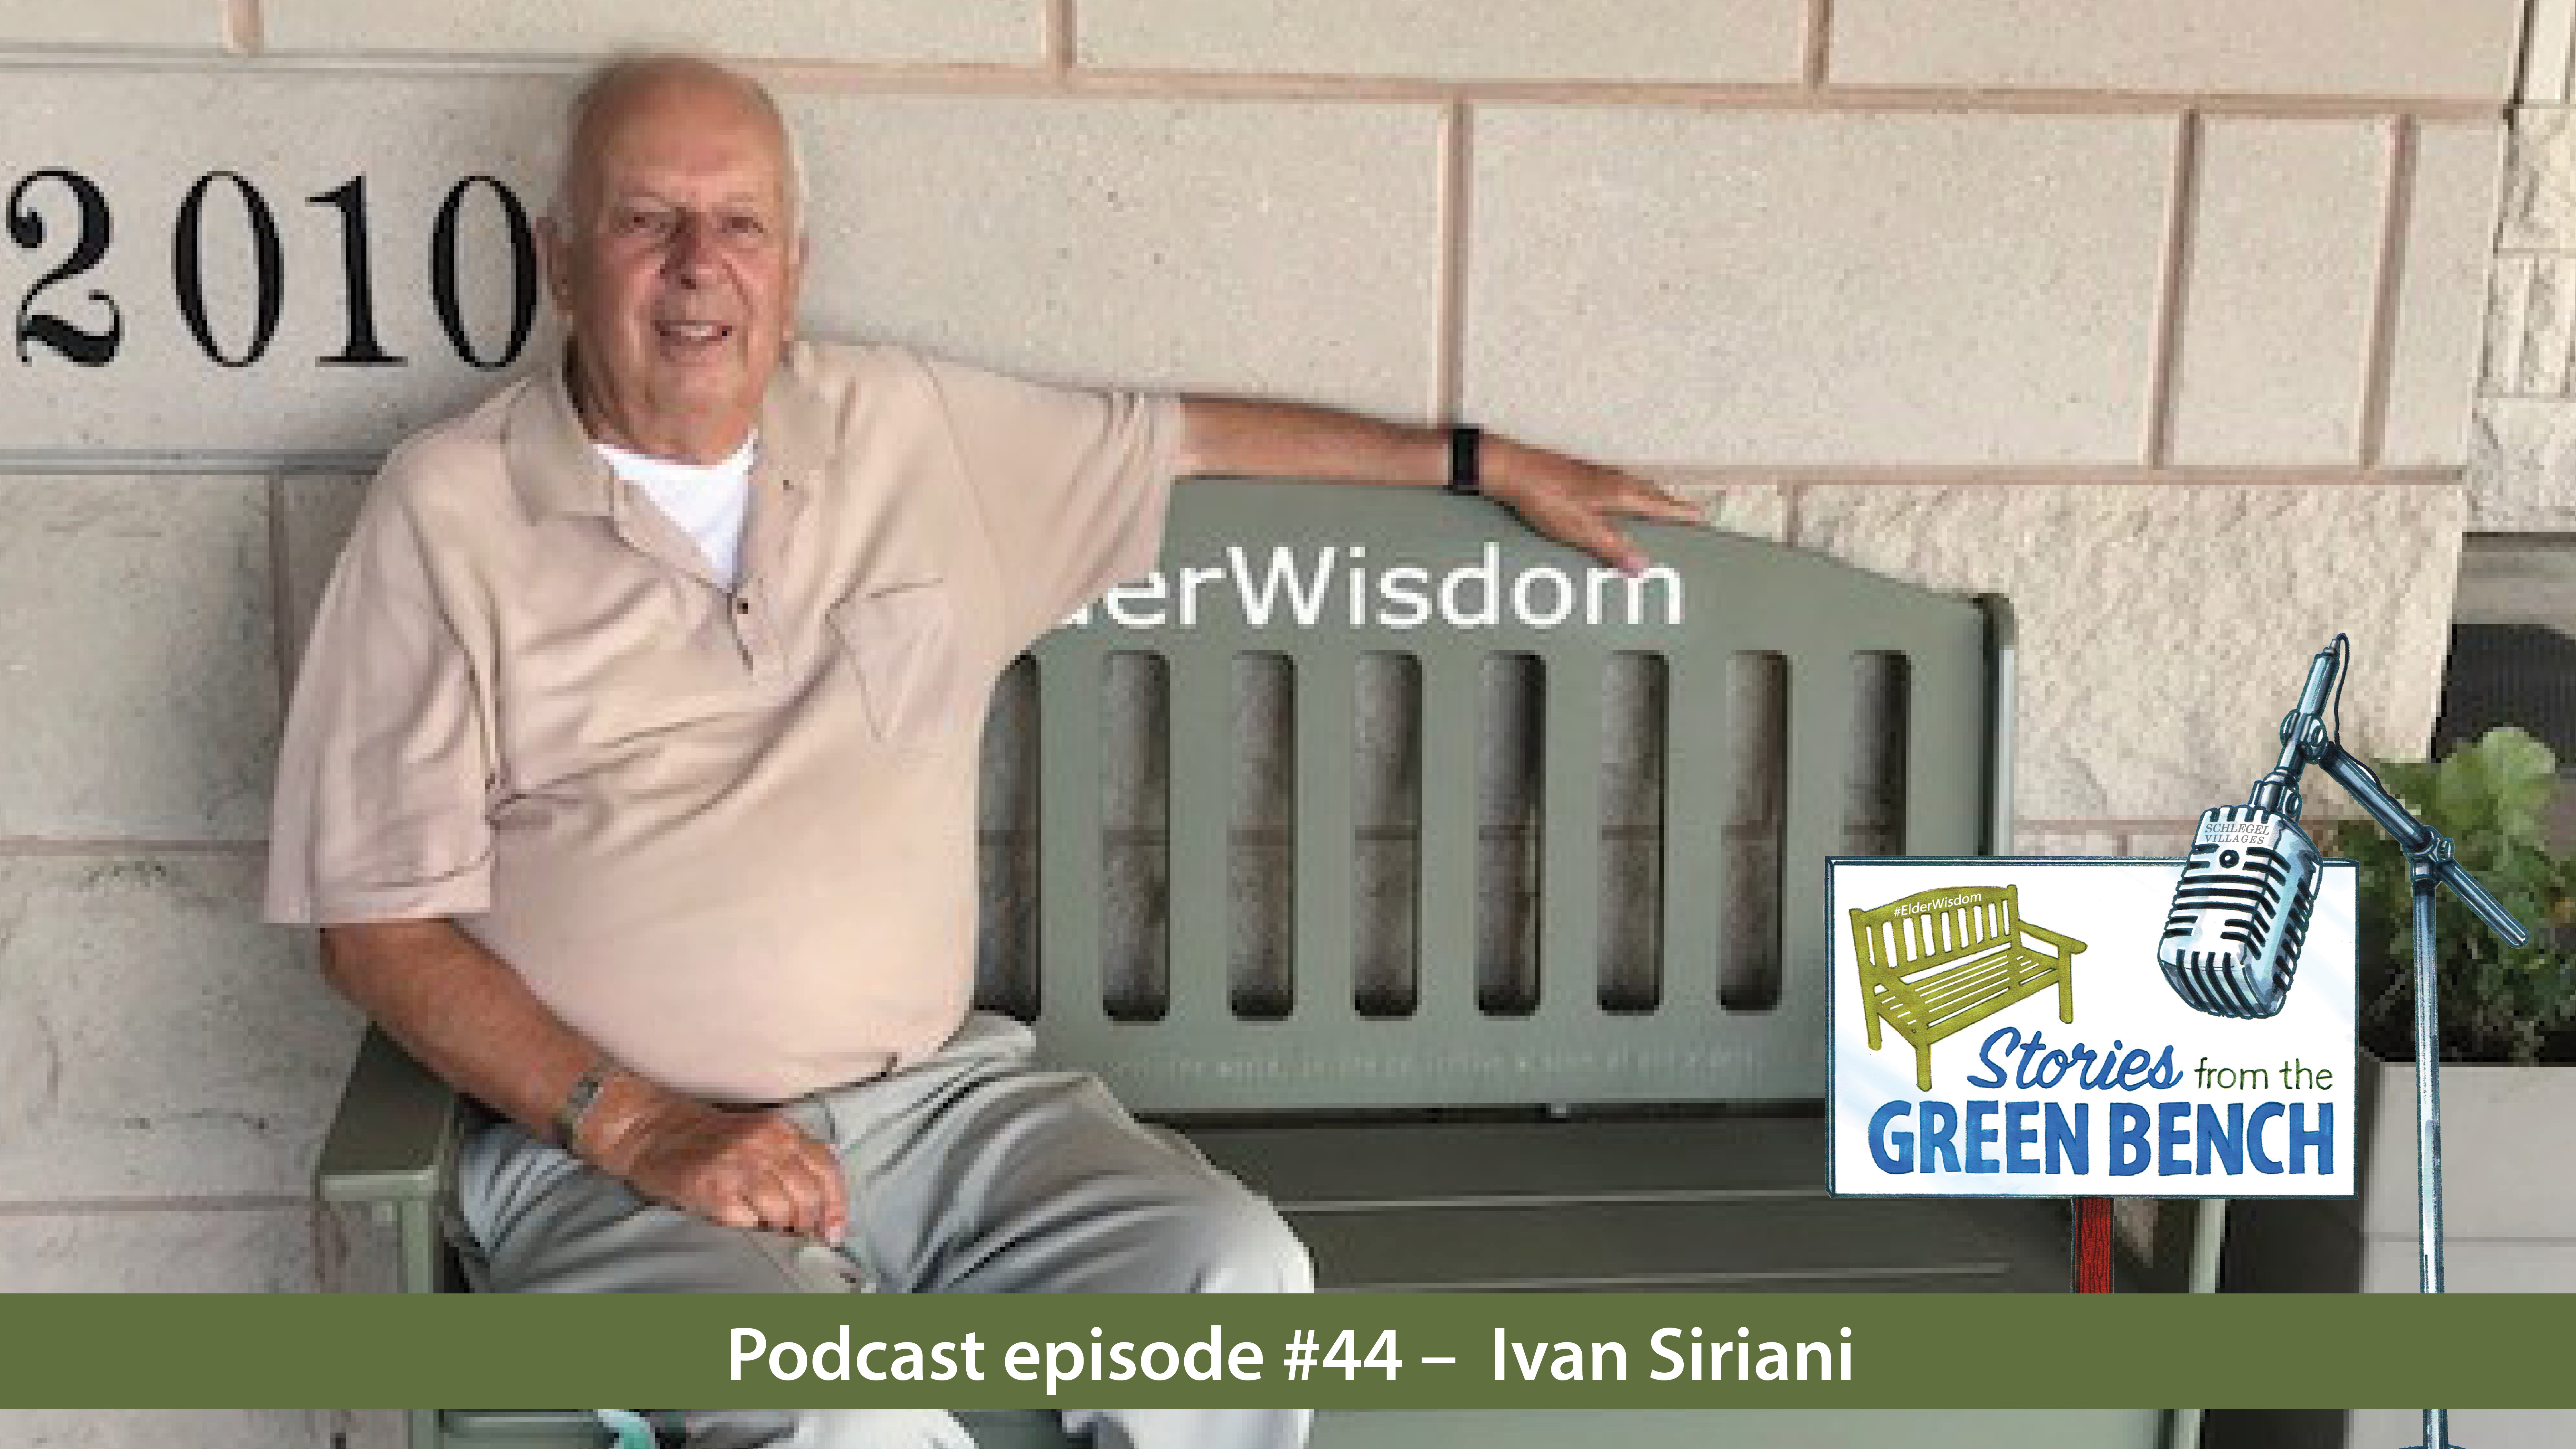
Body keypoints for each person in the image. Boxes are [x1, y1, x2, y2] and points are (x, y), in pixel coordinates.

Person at [266, 52, 1697, 1449]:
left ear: (795, 265)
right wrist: (641, 1128)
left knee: (1228, 1276)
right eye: (647, 220)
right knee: (838, 1402)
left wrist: (1480, 463)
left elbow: (1179, 441)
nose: (699, 261)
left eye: (740, 223)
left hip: (937, 1110)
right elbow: (374, 932)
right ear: (563, 259)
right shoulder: (446, 514)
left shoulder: (904, 430)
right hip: (615, 1170)